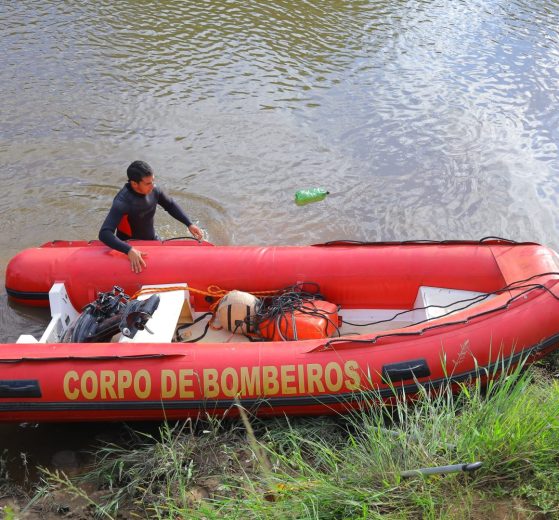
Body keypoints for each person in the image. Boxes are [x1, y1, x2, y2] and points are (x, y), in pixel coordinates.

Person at [99, 160, 203, 273]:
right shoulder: (122, 202)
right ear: (134, 184)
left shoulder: (154, 191)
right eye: (148, 183)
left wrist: (189, 224)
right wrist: (128, 250)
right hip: (131, 245)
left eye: (153, 181)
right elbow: (104, 233)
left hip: (152, 240)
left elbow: (170, 205)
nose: (152, 186)